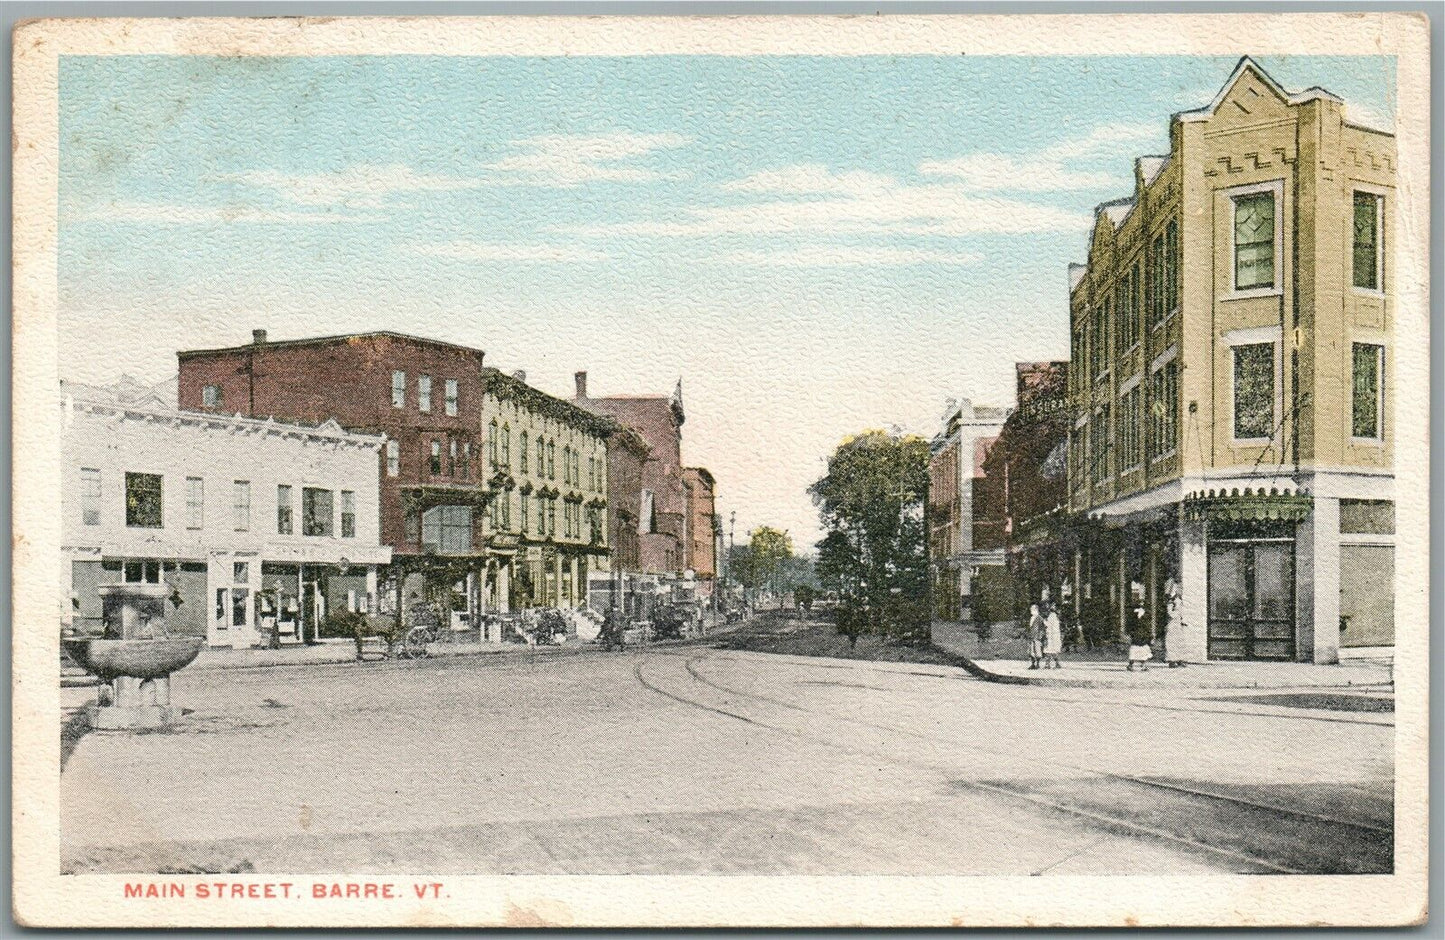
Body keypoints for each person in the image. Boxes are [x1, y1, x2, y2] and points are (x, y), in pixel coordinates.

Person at [1126, 604, 1153, 671]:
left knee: (1142, 651)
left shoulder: (1145, 614)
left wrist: (1149, 635)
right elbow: (1130, 625)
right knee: (1136, 650)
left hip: (1142, 635)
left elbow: (1147, 626)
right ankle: (1131, 665)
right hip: (1137, 635)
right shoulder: (1134, 615)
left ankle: (1142, 665)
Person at [1041, 600, 1063, 669]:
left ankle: (1048, 664)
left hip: (1052, 634)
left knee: (1049, 649)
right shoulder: (1055, 615)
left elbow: (1049, 625)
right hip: (1055, 634)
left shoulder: (1052, 615)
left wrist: (1044, 621)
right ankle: (1056, 663)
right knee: (1053, 650)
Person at [1024, 602, 1044, 670]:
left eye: (1032, 609)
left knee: (1037, 651)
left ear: (1036, 610)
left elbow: (1042, 628)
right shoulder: (1031, 618)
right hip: (1031, 636)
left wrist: (1040, 636)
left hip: (1037, 637)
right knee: (1031, 651)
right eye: (1031, 609)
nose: (1031, 610)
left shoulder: (1040, 618)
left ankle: (1037, 664)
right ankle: (1033, 664)